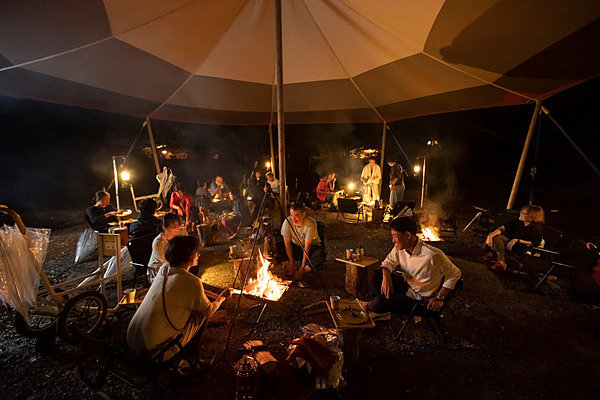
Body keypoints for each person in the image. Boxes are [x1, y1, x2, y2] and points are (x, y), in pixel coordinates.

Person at [127, 236, 232, 375]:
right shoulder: (192, 282)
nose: (198, 255)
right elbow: (208, 311)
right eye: (196, 252)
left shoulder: (164, 269)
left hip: (132, 340)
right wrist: (221, 298)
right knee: (201, 315)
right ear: (187, 255)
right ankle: (187, 364)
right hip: (152, 351)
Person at [368, 216, 461, 320]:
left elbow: (455, 274)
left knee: (377, 304)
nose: (393, 240)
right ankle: (382, 308)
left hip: (420, 299)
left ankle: (378, 306)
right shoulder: (400, 248)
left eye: (394, 236)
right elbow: (388, 262)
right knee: (375, 276)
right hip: (408, 286)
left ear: (407, 235)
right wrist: (386, 277)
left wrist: (440, 298)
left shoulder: (432, 255)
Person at [276, 203, 326, 288]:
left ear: (303, 214)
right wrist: (291, 262)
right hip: (296, 246)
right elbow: (287, 244)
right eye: (292, 215)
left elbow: (307, 247)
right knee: (278, 246)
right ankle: (291, 269)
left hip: (310, 248)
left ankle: (299, 273)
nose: (294, 219)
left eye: (297, 215)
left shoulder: (310, 223)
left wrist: (302, 266)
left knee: (320, 255)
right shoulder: (287, 222)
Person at [484, 205, 545, 271]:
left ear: (532, 217)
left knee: (498, 238)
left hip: (522, 247)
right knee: (493, 234)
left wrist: (516, 240)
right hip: (511, 243)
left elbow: (535, 243)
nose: (520, 214)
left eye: (524, 213)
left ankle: (500, 261)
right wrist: (490, 236)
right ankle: (495, 257)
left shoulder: (535, 227)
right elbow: (503, 228)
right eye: (521, 211)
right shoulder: (519, 221)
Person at [148, 214, 186, 283]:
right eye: (173, 226)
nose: (177, 228)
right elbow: (166, 262)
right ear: (164, 228)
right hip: (160, 270)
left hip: (178, 266)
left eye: (179, 225)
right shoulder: (159, 242)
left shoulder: (181, 233)